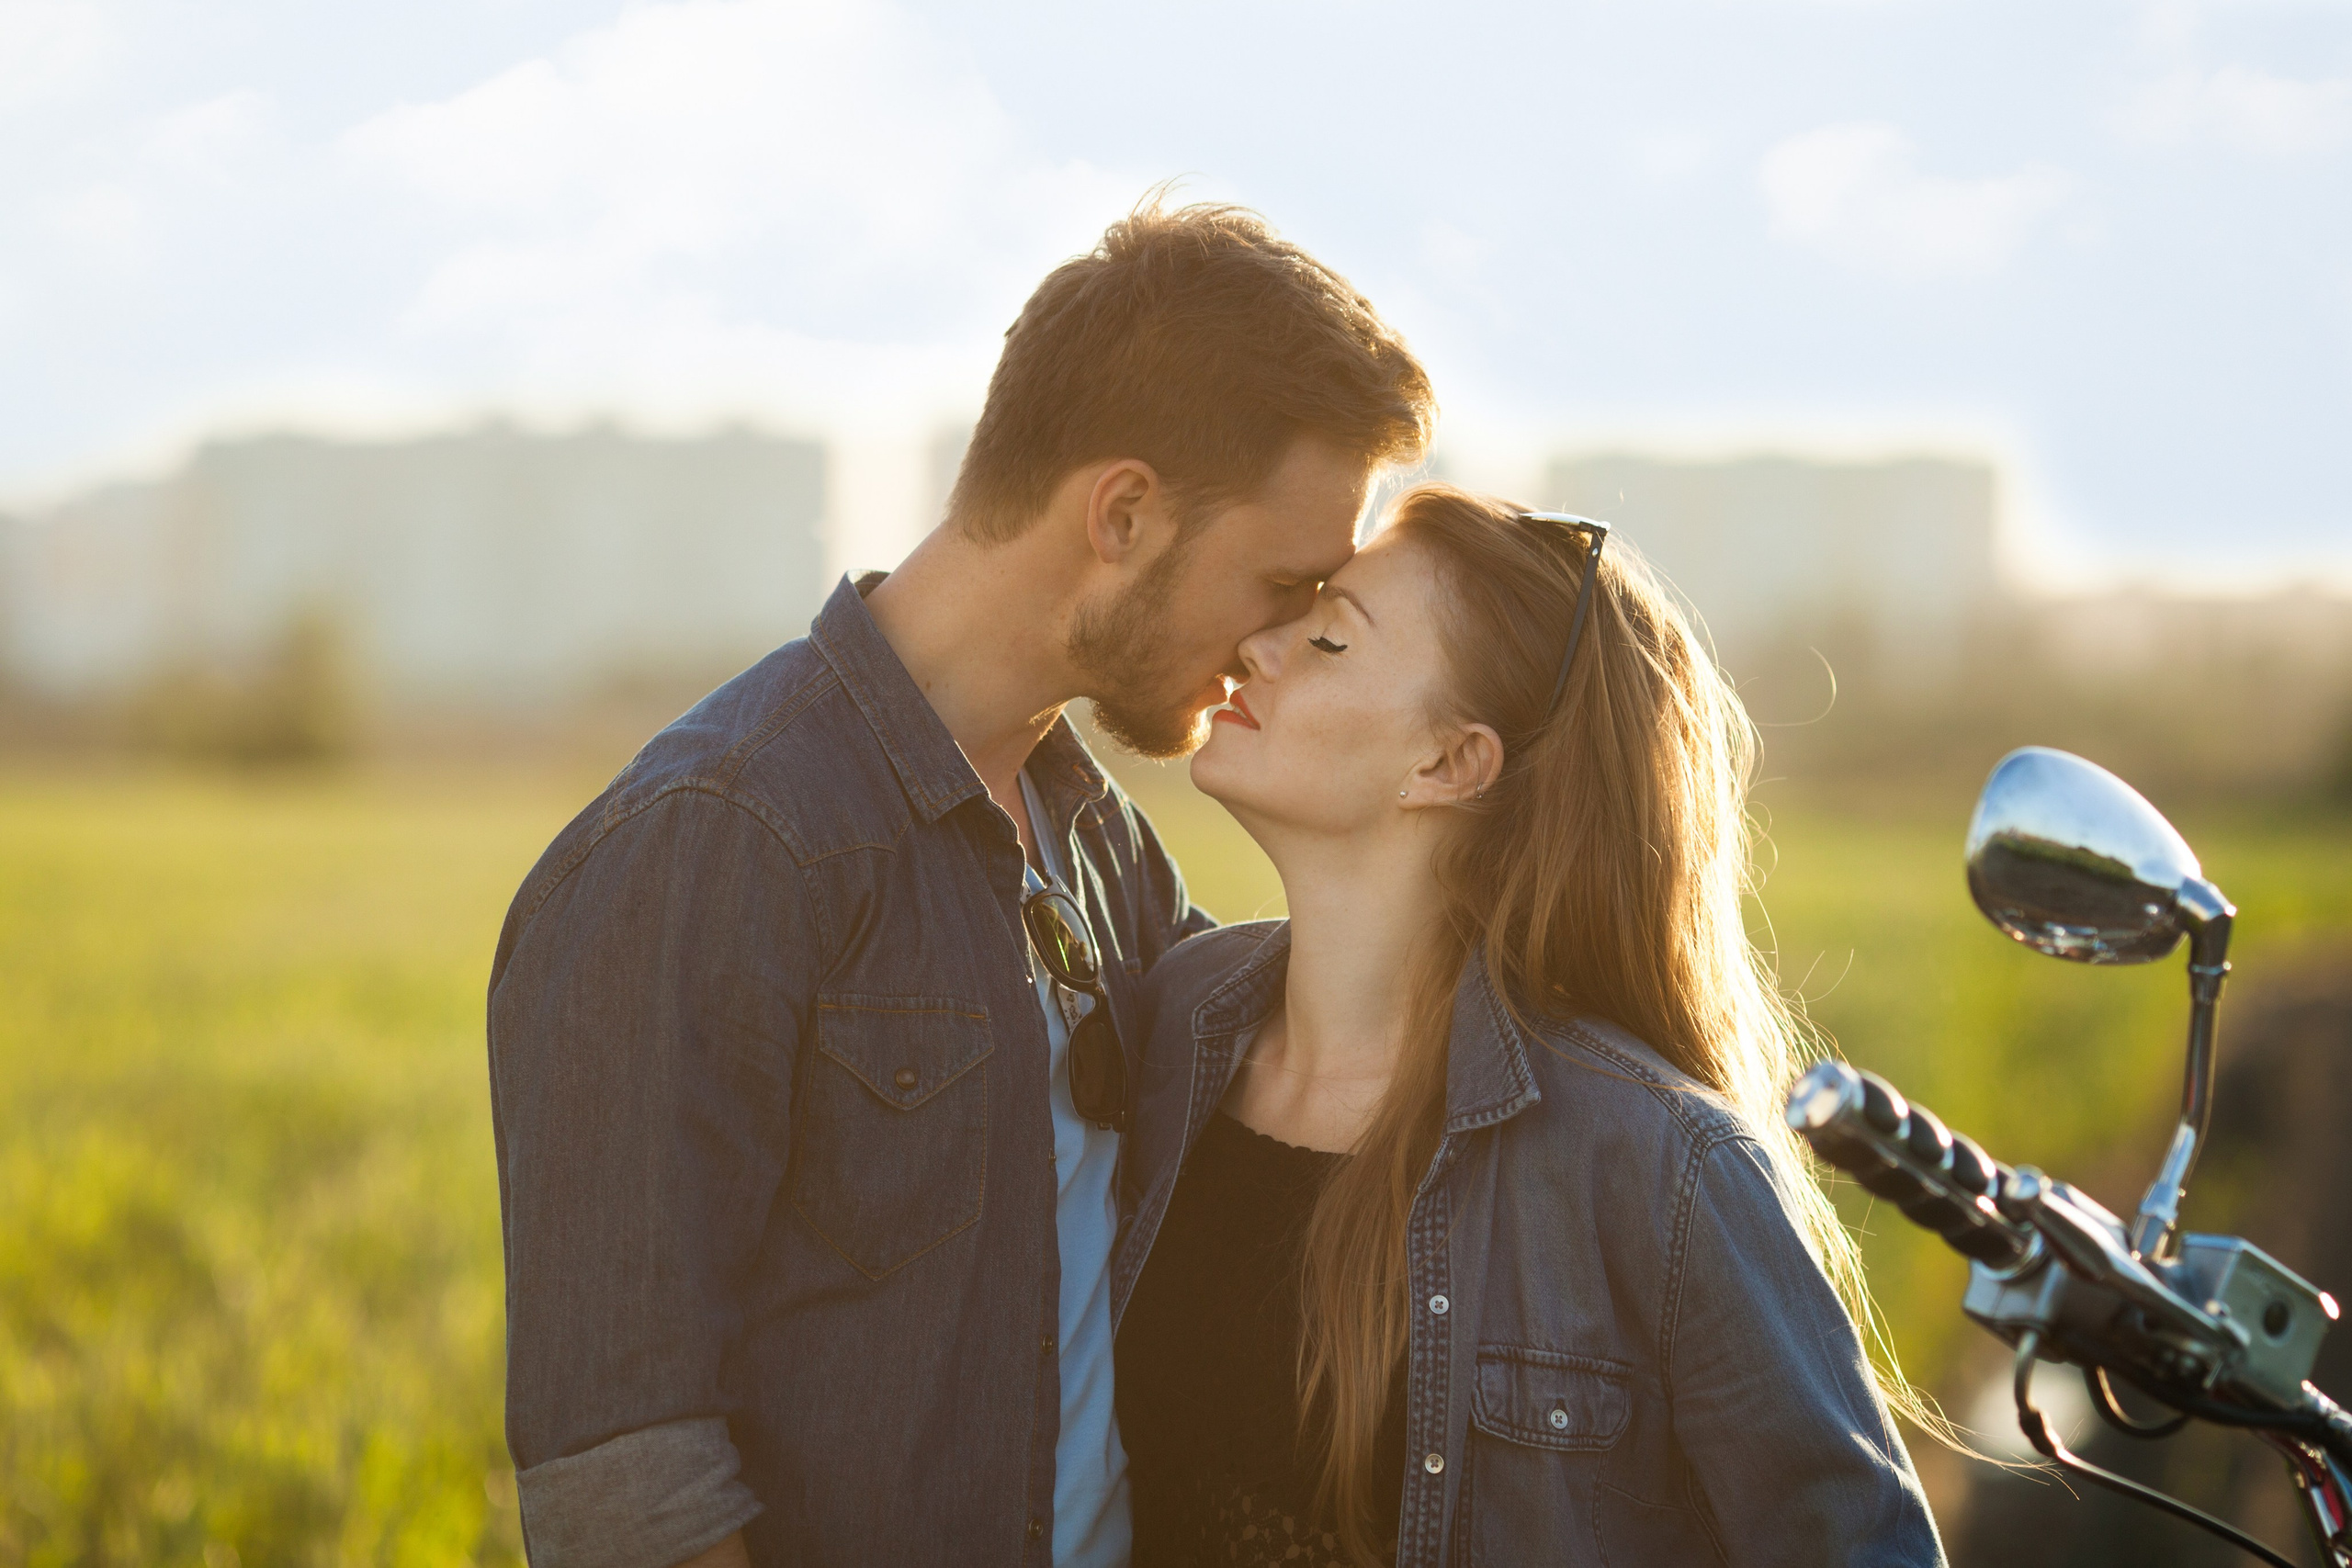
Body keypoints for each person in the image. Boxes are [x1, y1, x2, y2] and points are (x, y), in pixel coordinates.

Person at [487, 201, 1433, 1568]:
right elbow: (625, 1476)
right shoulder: (712, 840)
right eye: (1282, 580)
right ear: (1121, 512)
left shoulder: (1101, 840)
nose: (1284, 638)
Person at [1113, 484, 1947, 1567]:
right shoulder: (1171, 1030)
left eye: (1325, 638)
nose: (1256, 645)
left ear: (1448, 763)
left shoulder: (1659, 1162)